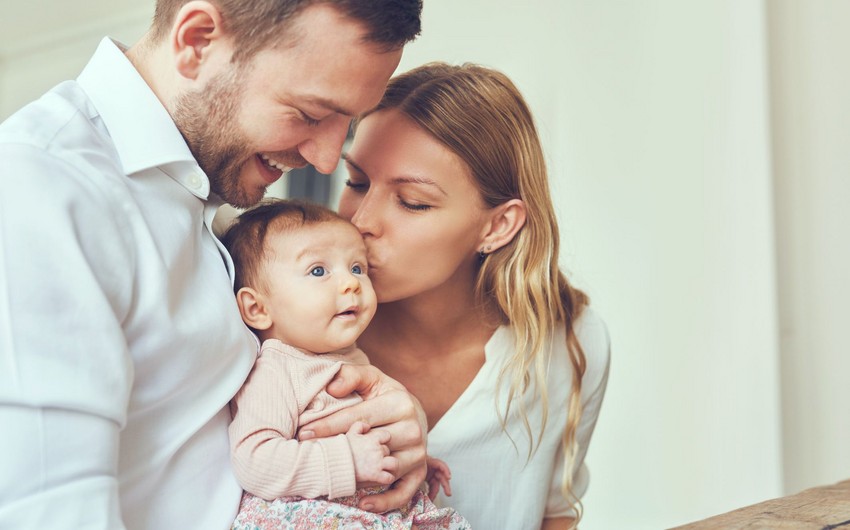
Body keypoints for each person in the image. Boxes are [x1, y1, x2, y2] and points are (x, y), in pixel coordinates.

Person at [0, 1, 426, 528]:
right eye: (311, 114)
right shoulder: (40, 190)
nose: (325, 159)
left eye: (348, 121)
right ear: (197, 40)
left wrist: (387, 422)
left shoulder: (206, 196)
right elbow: (47, 512)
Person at [302, 63, 611, 530]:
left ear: (498, 225)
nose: (361, 221)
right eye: (356, 182)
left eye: (412, 202)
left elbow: (557, 513)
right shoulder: (294, 326)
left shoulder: (572, 344)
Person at [219, 198, 470, 529]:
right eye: (318, 271)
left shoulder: (351, 359)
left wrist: (404, 463)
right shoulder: (276, 370)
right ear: (257, 308)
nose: (351, 283)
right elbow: (254, 461)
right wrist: (347, 460)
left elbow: (368, 434)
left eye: (357, 268)